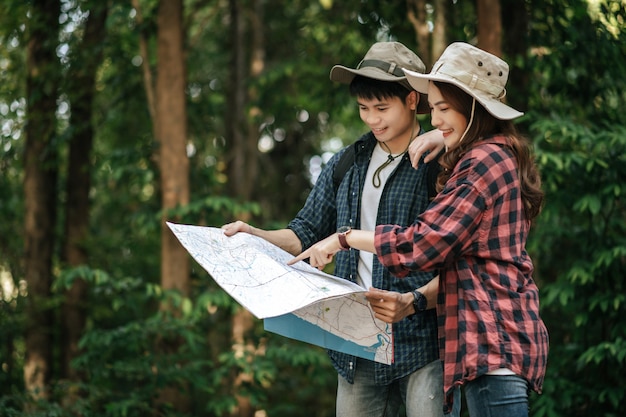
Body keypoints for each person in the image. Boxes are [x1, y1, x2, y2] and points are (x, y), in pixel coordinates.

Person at [289, 42, 549, 417]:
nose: (436, 118)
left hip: (486, 342)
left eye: (442, 109)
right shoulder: (484, 154)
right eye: (364, 108)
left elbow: (422, 245)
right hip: (471, 345)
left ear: (472, 107)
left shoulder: (477, 163)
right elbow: (304, 227)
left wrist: (344, 238)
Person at [223, 41, 450, 417]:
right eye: (364, 109)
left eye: (382, 108)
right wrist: (256, 235)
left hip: (424, 340)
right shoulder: (347, 162)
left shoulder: (441, 163)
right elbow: (304, 233)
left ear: (412, 100)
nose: (373, 119)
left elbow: (456, 256)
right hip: (356, 341)